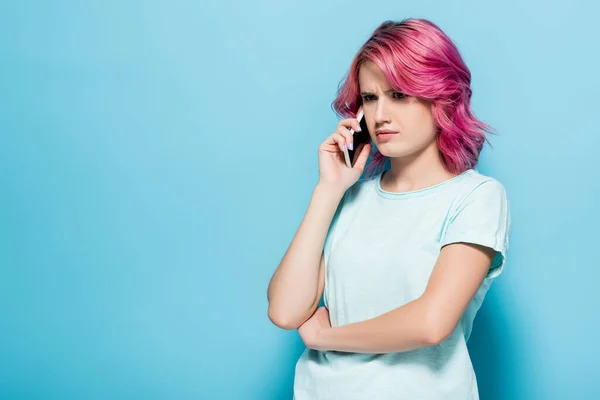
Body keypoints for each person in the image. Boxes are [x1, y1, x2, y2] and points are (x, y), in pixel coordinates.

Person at [267, 18, 511, 400]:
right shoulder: (349, 197)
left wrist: (325, 337)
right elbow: (285, 311)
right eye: (369, 97)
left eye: (398, 95)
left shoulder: (476, 197)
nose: (380, 115)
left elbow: (431, 322)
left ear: (441, 96)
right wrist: (328, 190)